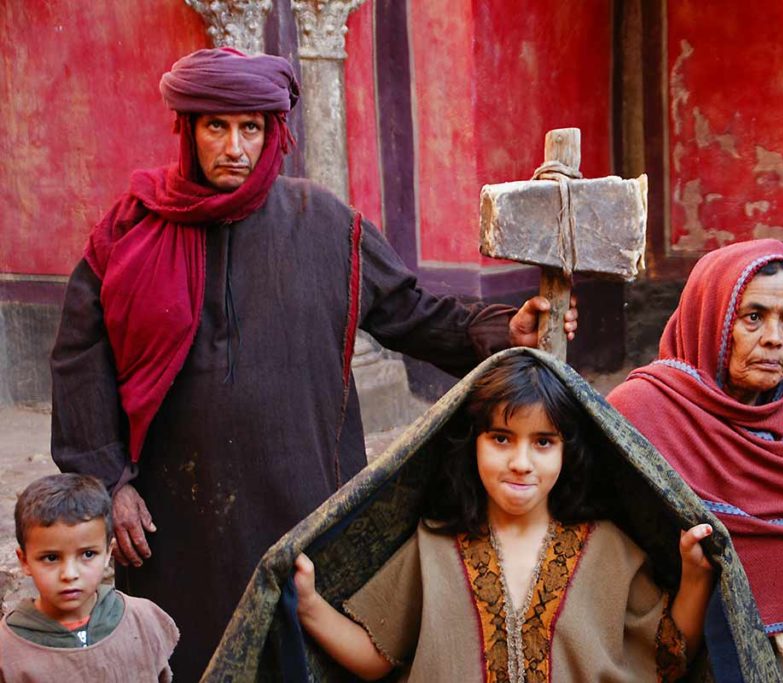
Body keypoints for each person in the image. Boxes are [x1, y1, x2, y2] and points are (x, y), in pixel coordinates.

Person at [48, 47, 576, 680]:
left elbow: (412, 311)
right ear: (186, 130)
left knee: (299, 652)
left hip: (302, 499)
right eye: (216, 126)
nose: (235, 147)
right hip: (174, 515)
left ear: (276, 133)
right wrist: (110, 483)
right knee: (186, 655)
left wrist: (501, 329)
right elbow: (80, 360)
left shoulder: (326, 224)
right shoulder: (130, 231)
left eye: (252, 127)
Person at [290, 353, 714, 681]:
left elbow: (668, 655)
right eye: (501, 438)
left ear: (568, 452)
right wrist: (308, 605)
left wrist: (695, 578)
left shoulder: (608, 549)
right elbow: (375, 656)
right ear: (473, 444)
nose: (521, 462)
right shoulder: (434, 547)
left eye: (543, 442)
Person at [607, 239, 783, 681]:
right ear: (710, 317)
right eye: (753, 317)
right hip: (690, 656)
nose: (776, 338)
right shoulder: (641, 413)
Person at [1, 474, 178, 681]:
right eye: (51, 558)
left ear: (108, 553)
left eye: (87, 554)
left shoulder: (142, 619)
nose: (69, 574)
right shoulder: (8, 649)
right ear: (24, 561)